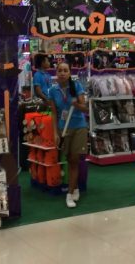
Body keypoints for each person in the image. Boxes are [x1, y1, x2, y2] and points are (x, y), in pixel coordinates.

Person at [48, 61, 88, 208]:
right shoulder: (52, 91)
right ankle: (75, 187)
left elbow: (85, 109)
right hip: (63, 129)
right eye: (60, 70)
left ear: (70, 73)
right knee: (69, 160)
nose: (63, 73)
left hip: (79, 127)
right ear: (56, 73)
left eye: (65, 70)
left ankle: (69, 194)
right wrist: (55, 132)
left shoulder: (76, 86)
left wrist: (76, 104)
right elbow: (54, 113)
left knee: (75, 159)